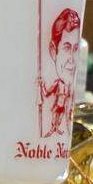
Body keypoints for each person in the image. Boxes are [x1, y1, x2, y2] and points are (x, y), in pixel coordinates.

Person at [38, 8, 81, 137]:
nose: (72, 60)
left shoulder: (71, 91)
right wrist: (41, 85)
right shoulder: (58, 83)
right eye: (67, 48)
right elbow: (47, 93)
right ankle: (53, 128)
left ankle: (56, 129)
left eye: (76, 49)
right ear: (53, 51)